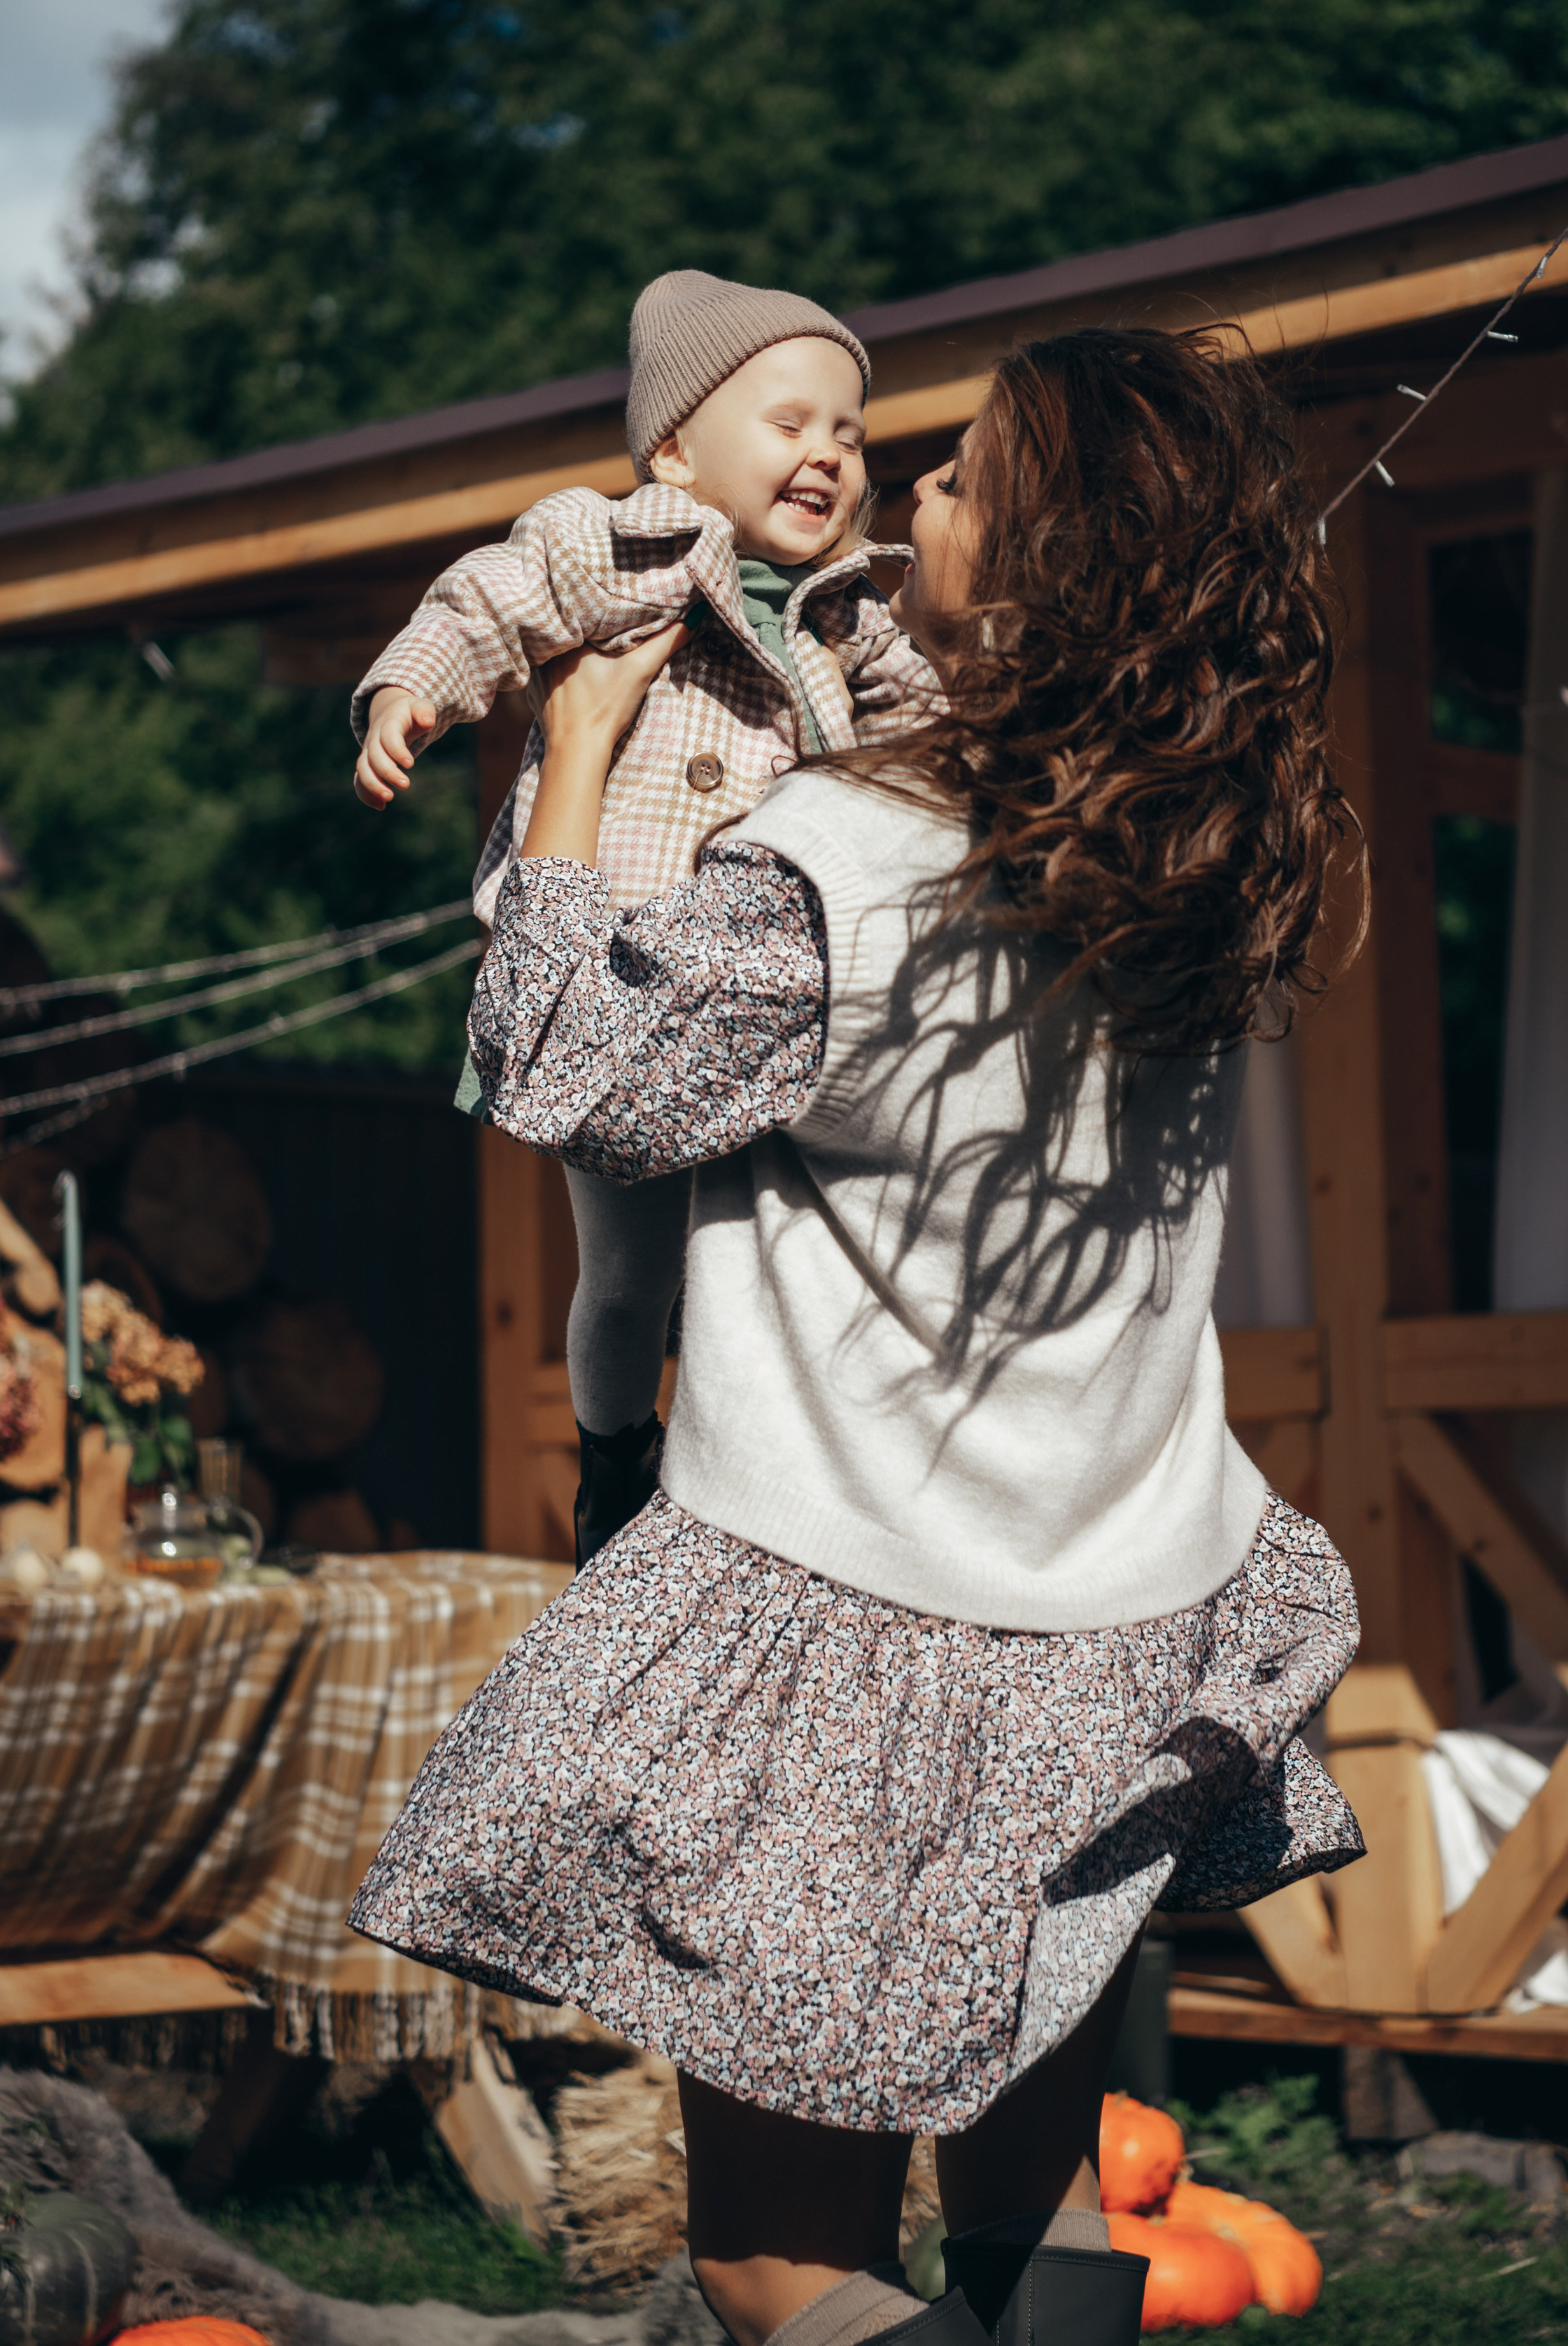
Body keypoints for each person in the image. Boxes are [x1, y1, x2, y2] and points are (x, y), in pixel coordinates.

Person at [351, 328, 1366, 2346]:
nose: (918, 502)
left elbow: (564, 1064)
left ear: (1057, 559)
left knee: (777, 2259)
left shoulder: (849, 865)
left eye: (970, 482)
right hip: (1124, 1608)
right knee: (1042, 2191)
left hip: (849, 1624)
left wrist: (573, 746)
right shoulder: (1194, 866)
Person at [351, 271, 939, 1561]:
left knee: (761, 1271)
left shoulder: (849, 610)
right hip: (611, 983)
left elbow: (936, 734)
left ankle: (761, 1485)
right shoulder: (608, 545)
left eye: (850, 433)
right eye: (792, 425)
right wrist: (416, 689)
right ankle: (615, 1449)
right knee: (628, 1273)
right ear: (675, 448)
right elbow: (486, 602)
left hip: (769, 1006)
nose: (830, 457)